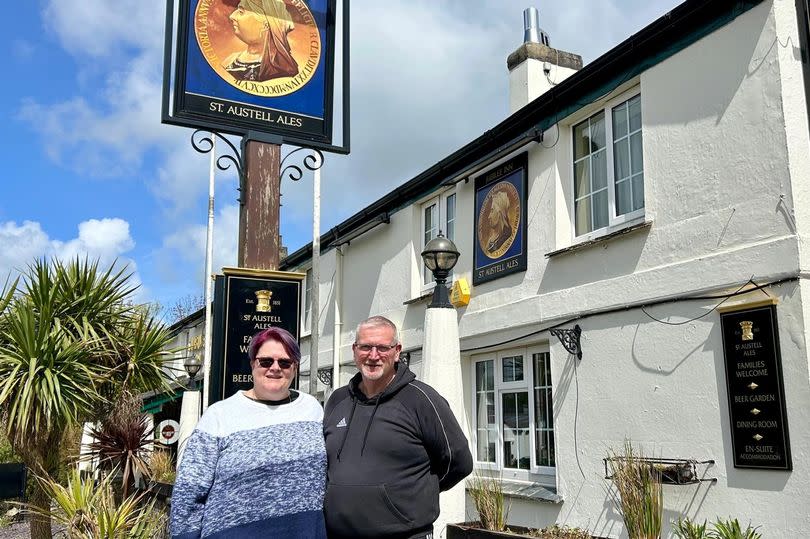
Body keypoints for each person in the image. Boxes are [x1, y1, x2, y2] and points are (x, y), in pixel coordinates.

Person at [323, 316, 473, 539]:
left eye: (383, 347)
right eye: (365, 347)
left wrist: (412, 493)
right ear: (355, 350)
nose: (373, 356)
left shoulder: (421, 399)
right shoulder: (337, 400)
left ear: (397, 351)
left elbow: (459, 462)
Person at [170, 327, 326, 539]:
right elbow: (189, 490)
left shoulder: (312, 409)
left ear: (295, 368)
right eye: (266, 361)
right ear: (253, 364)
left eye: (285, 362)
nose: (275, 368)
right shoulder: (220, 415)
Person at [223, 0, 299, 82]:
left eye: (241, 12)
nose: (232, 16)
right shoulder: (229, 60)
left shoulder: (280, 74)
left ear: (266, 24)